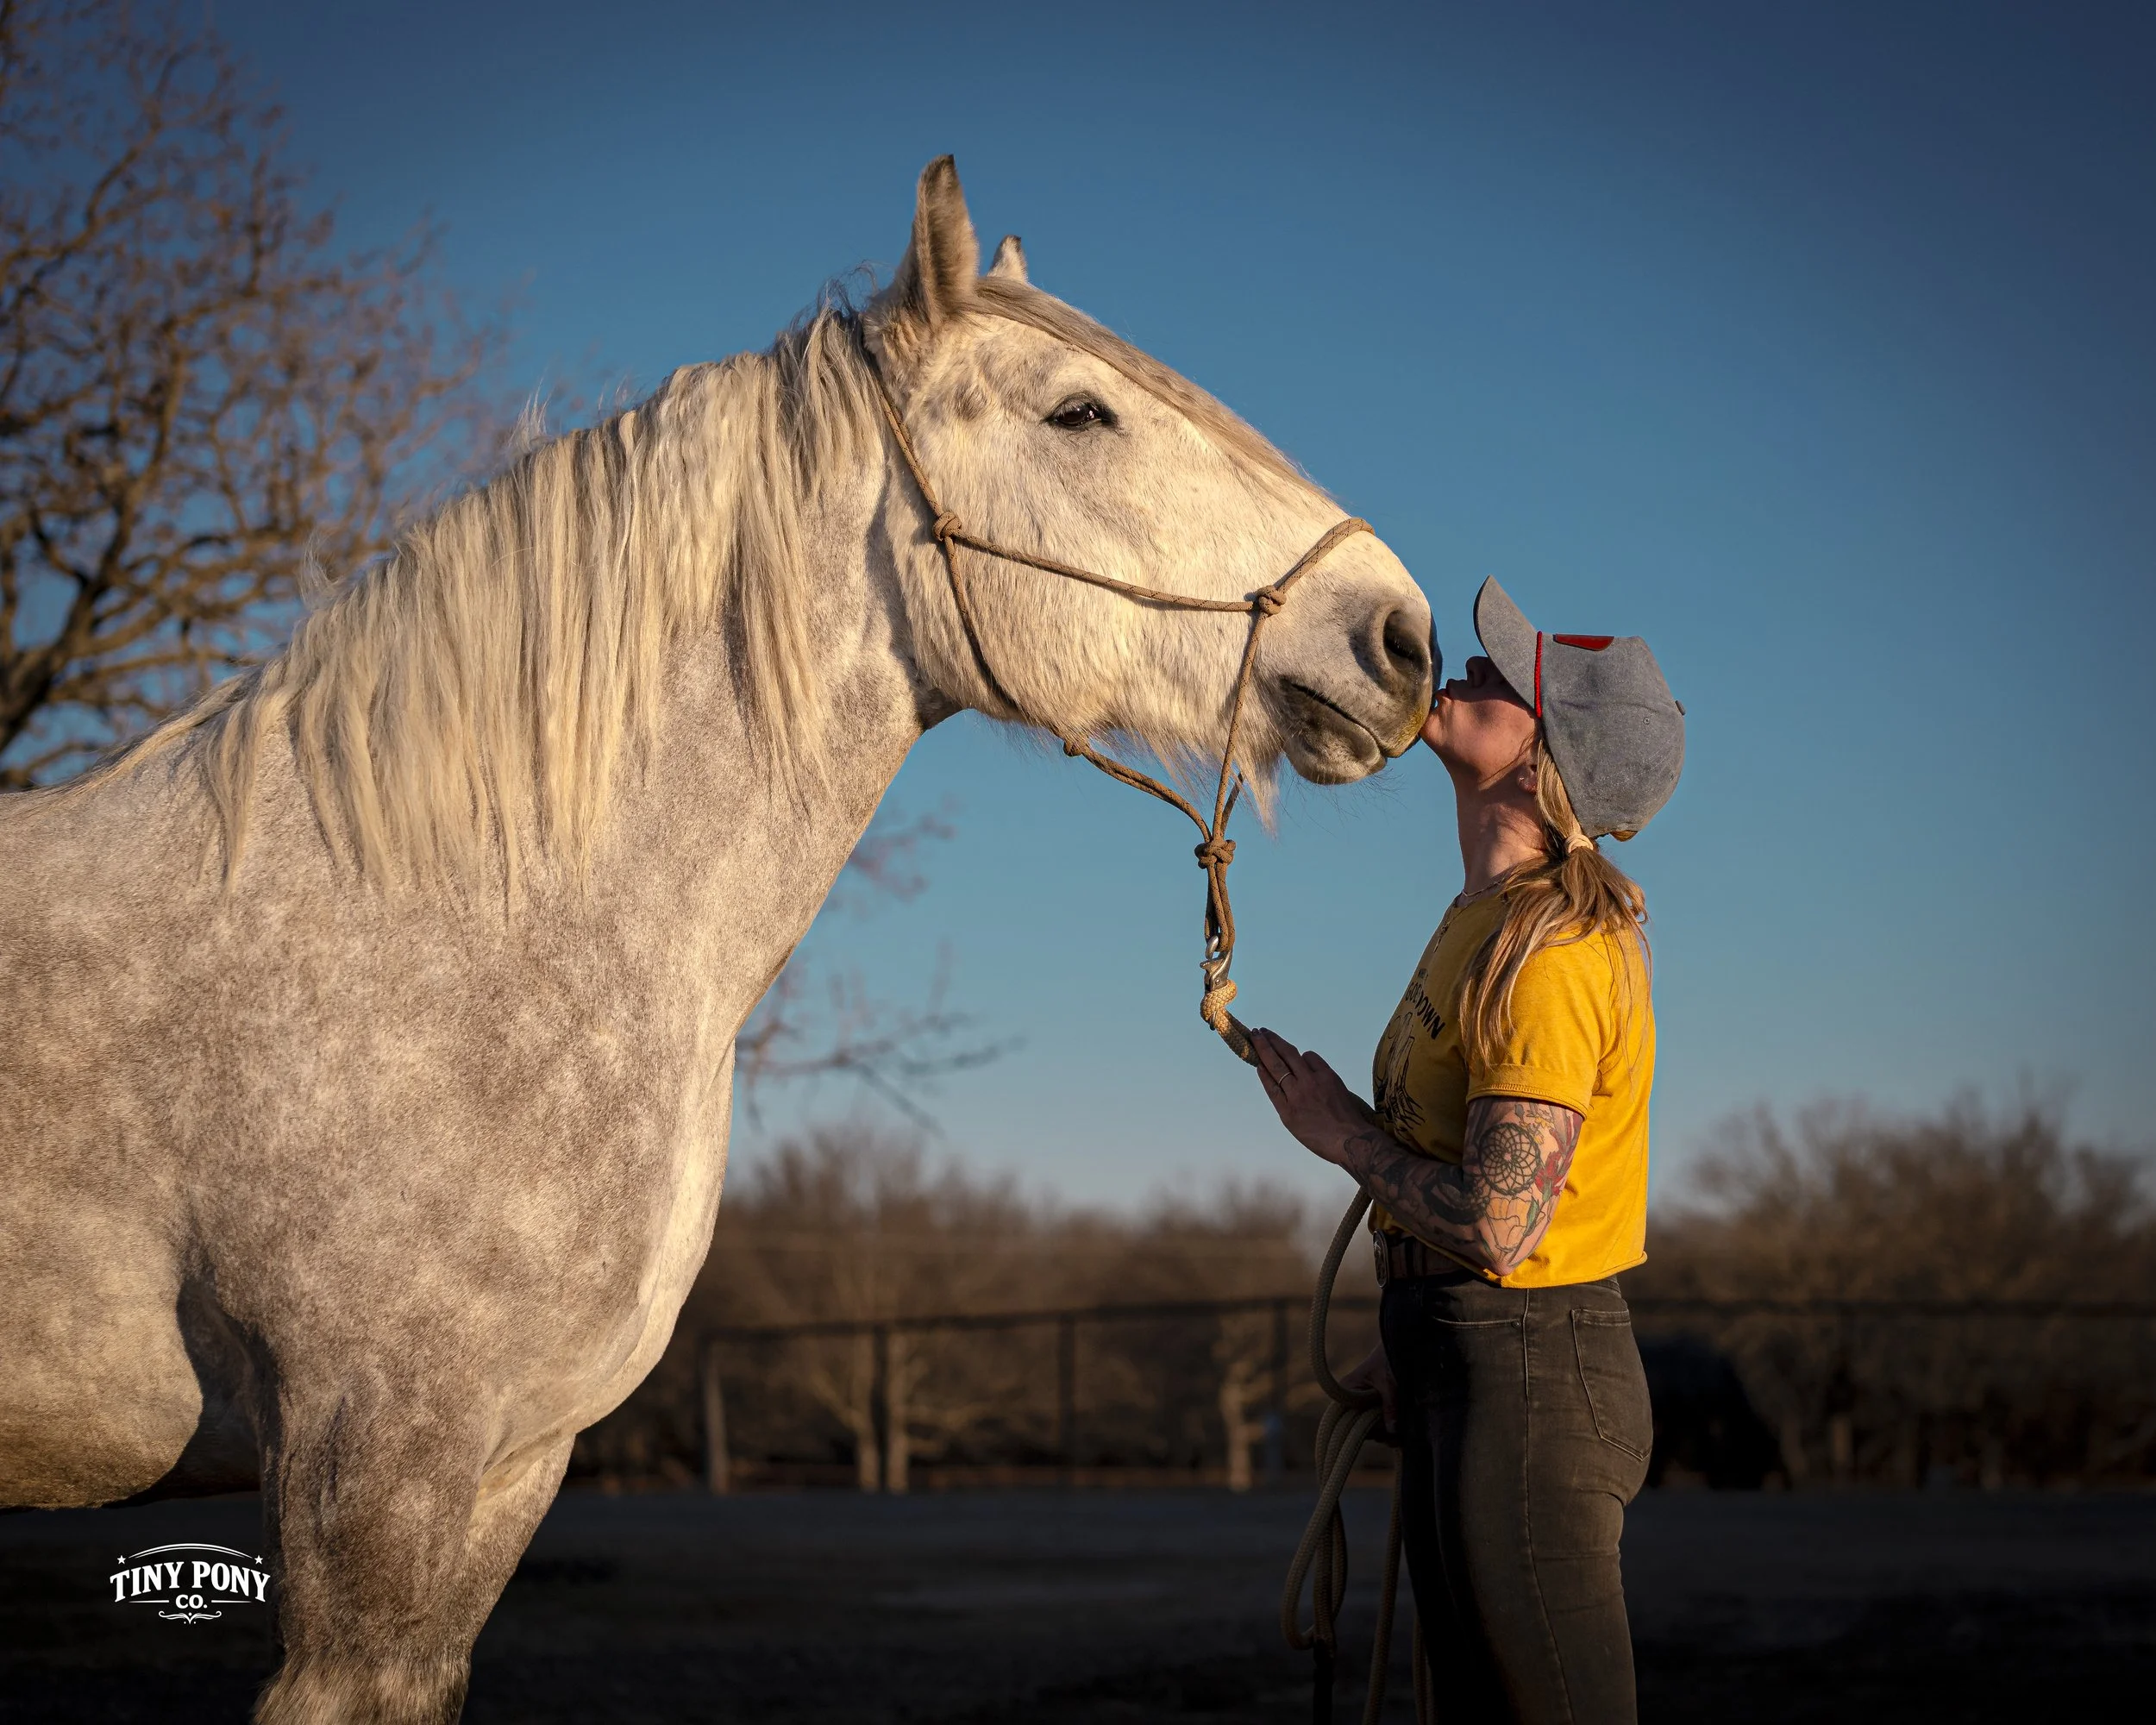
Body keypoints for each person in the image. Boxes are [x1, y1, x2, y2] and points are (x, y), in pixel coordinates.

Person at [1251, 576, 1684, 1725]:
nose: (1475, 670)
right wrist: (1412, 1337)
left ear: (1547, 759)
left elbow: (1501, 1224)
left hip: (1531, 1374)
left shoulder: (1551, 955)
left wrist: (1341, 1135)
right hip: (1468, 1362)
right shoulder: (1481, 923)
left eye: (1512, 679)